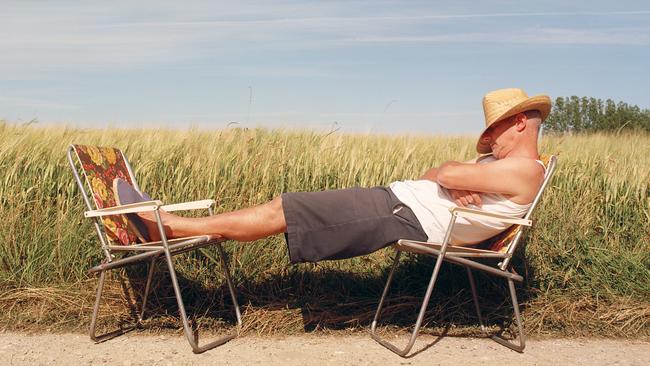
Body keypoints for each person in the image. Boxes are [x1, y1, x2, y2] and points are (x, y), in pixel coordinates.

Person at [132, 88, 551, 263]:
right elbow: (434, 173)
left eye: (494, 128)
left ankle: (168, 228)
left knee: (287, 209)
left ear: (518, 123)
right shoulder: (495, 168)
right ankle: (171, 226)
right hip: (397, 202)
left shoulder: (525, 171)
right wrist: (456, 183)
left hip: (404, 216)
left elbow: (444, 170)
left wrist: (454, 178)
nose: (489, 137)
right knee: (287, 207)